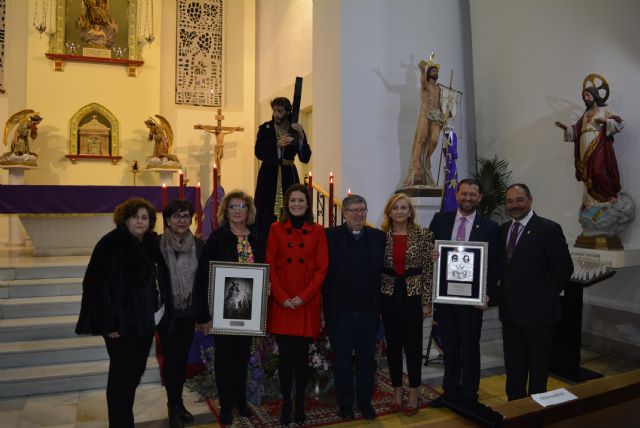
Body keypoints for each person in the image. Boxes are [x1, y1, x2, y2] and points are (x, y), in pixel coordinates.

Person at [75, 197, 171, 428]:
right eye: (135, 217)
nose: (140, 221)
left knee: (134, 374)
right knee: (121, 379)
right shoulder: (111, 243)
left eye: (145, 217)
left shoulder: (150, 243)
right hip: (120, 326)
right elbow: (95, 286)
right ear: (125, 219)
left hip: (143, 323)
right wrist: (109, 325)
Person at [194, 190, 265, 425]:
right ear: (226, 211)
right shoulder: (217, 239)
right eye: (233, 207)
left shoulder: (256, 238)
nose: (238, 211)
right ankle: (226, 405)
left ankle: (240, 400)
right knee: (224, 360)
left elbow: (265, 272)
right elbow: (203, 277)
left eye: (242, 206)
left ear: (249, 211)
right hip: (222, 314)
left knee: (243, 357)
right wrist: (205, 315)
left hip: (249, 312)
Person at [498, 183, 573, 400]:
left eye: (519, 200)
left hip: (539, 315)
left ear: (530, 201)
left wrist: (544, 295)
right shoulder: (503, 230)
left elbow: (564, 269)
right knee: (513, 366)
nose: (515, 205)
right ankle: (515, 409)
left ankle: (536, 413)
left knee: (538, 369)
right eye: (510, 201)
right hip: (510, 314)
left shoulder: (548, 229)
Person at [428, 178, 499, 407]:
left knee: (469, 346)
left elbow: (494, 265)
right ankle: (449, 391)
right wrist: (431, 255)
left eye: (473, 195)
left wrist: (486, 294)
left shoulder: (489, 226)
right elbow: (429, 251)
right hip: (446, 298)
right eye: (464, 193)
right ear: (457, 195)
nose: (468, 198)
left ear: (479, 198)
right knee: (449, 346)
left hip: (472, 301)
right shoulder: (440, 220)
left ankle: (469, 394)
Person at [266, 183, 328, 425]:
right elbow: (270, 265)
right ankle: (285, 404)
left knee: (302, 359)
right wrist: (282, 297)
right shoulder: (276, 228)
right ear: (287, 204)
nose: (296, 204)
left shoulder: (318, 230)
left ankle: (300, 402)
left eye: (301, 200)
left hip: (306, 303)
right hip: (283, 304)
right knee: (285, 359)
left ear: (307, 204)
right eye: (293, 200)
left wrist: (303, 297)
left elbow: (322, 269)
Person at [323, 195, 385, 421]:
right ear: (344, 213)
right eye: (354, 210)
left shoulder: (378, 237)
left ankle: (365, 403)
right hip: (341, 313)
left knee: (367, 360)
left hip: (369, 312)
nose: (359, 214)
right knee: (342, 360)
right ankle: (345, 404)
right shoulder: (329, 236)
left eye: (363, 210)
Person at [380, 193, 434, 416]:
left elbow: (428, 271)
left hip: (413, 295)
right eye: (395, 208)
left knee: (413, 347)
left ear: (410, 211)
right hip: (389, 295)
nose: (400, 211)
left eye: (404, 207)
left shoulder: (423, 235)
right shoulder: (380, 236)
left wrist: (426, 302)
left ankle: (413, 392)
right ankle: (396, 391)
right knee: (393, 347)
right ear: (389, 212)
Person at [158, 200, 204, 428]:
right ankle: (173, 405)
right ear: (167, 220)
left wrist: (202, 314)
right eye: (177, 216)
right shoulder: (157, 246)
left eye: (186, 216)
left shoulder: (198, 245)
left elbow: (203, 281)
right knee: (171, 361)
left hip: (188, 313)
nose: (182, 221)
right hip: (167, 315)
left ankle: (178, 403)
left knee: (181, 360)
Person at [554, 82, 624, 208]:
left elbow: (619, 123)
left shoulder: (605, 110)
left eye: (587, 95)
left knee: (598, 171)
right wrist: (566, 129)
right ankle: (591, 201)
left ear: (595, 95)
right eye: (584, 96)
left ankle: (610, 195)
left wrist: (605, 121)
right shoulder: (585, 115)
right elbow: (576, 130)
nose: (585, 99)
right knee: (588, 173)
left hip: (599, 142)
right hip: (584, 145)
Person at [254, 97, 311, 236]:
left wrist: (302, 137)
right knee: (266, 208)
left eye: (280, 111)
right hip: (268, 174)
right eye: (274, 110)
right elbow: (258, 152)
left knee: (291, 206)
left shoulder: (294, 130)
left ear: (287, 111)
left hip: (288, 173)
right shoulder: (265, 128)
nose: (276, 114)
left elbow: (305, 158)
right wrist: (276, 145)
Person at [403, 54, 450, 187]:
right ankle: (418, 167)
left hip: (437, 116)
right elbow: (422, 82)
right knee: (421, 139)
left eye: (437, 71)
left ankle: (426, 158)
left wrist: (445, 113)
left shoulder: (439, 88)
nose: (436, 72)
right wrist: (422, 70)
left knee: (434, 140)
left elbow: (443, 102)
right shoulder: (425, 85)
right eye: (433, 70)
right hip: (426, 114)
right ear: (429, 73)